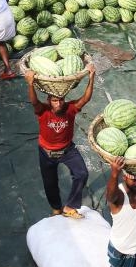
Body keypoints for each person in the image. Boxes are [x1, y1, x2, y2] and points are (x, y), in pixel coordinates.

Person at [25, 64, 96, 218]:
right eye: (55, 101)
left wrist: (91, 77)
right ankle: (56, 208)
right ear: (49, 100)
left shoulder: (70, 109)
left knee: (82, 174)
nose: (59, 104)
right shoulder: (42, 111)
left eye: (61, 100)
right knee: (50, 183)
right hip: (46, 152)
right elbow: (34, 101)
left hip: (67, 150)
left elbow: (85, 98)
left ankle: (69, 206)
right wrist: (30, 83)